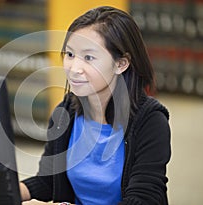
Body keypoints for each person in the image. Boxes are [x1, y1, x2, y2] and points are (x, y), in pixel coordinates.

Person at [19, 6, 171, 205]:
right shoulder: (65, 113)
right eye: (70, 55)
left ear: (121, 64)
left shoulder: (150, 121)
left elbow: (143, 199)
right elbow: (49, 182)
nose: (74, 69)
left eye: (88, 58)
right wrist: (5, 190)